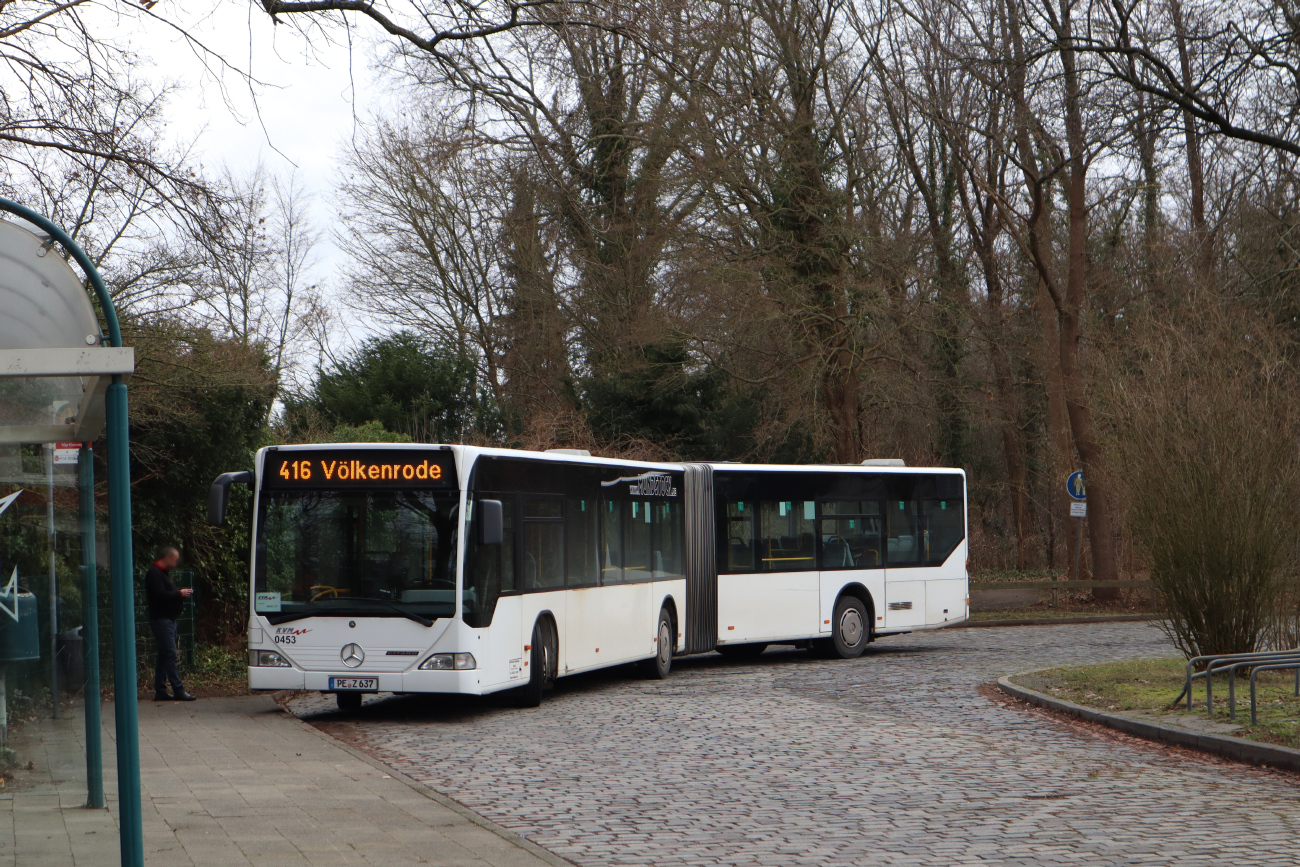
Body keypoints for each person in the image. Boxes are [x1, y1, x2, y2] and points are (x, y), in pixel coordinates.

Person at [145, 546, 196, 701]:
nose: (176, 563)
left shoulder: (163, 574)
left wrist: (179, 596)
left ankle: (161, 690)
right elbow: (159, 595)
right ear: (167, 558)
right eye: (175, 559)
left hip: (168, 621)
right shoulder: (154, 573)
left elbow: (165, 595)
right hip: (162, 621)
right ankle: (178, 689)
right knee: (171, 654)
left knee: (164, 656)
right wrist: (179, 594)